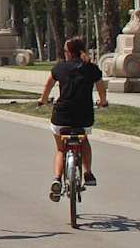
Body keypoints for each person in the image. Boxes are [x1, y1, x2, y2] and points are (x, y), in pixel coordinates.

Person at [38, 37, 109, 200]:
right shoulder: (91, 68)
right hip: (83, 116)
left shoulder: (59, 68)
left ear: (69, 52)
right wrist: (103, 102)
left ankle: (57, 179)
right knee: (84, 141)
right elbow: (101, 89)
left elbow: (48, 86)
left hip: (61, 115)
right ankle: (88, 173)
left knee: (61, 149)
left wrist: (42, 100)